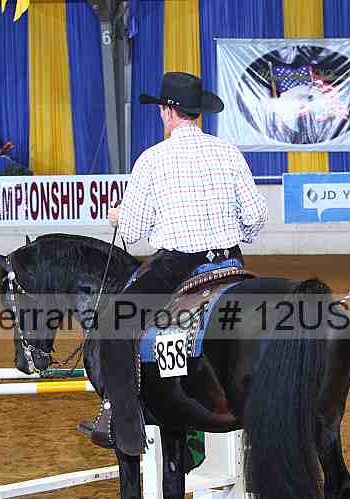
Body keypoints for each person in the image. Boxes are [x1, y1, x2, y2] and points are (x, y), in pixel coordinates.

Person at [77, 71, 268, 455]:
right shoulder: (229, 152)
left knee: (114, 326)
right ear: (197, 112)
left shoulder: (152, 159)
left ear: (166, 111)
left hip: (178, 266)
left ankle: (124, 427)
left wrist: (117, 218)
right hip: (230, 262)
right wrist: (238, 232)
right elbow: (256, 215)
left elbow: (133, 230)